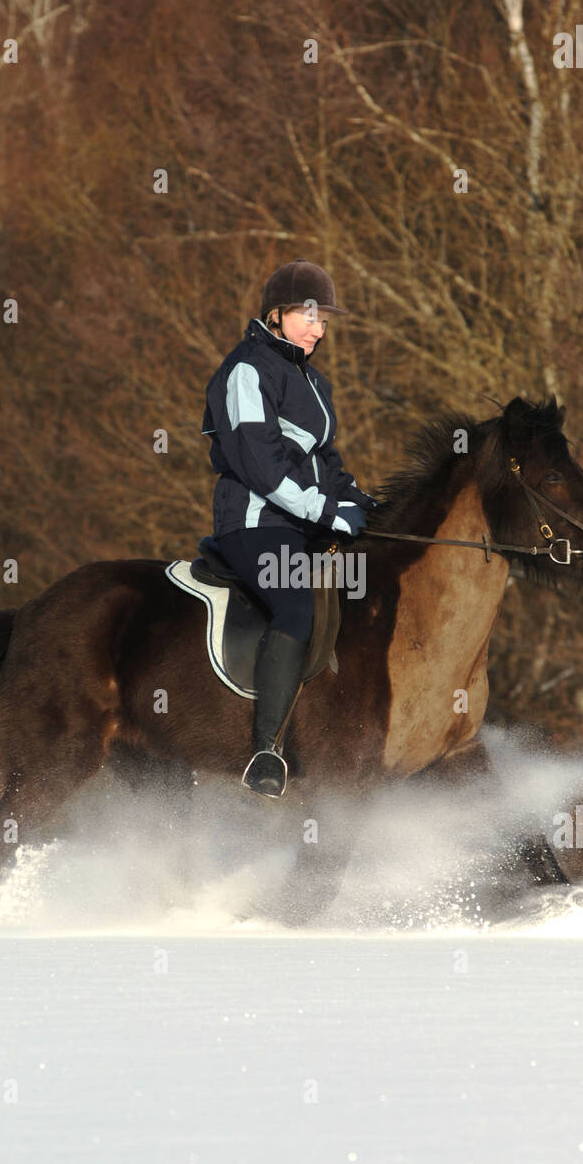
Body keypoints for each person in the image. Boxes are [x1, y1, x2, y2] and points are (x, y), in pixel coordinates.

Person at [201, 258, 377, 797]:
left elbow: (327, 464)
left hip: (301, 523)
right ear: (275, 315)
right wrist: (327, 512)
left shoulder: (313, 382)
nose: (318, 329)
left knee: (368, 588)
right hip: (255, 523)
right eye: (309, 315)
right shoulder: (247, 371)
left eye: (324, 320)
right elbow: (261, 466)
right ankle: (265, 751)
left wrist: (363, 503)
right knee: (297, 603)